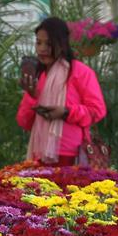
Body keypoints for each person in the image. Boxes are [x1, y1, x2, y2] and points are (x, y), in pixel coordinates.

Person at [16, 17, 107, 167]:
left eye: (49, 44)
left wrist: (65, 112)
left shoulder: (80, 72)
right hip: (39, 155)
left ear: (62, 44)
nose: (42, 49)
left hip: (72, 155)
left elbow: (97, 110)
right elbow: (24, 122)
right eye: (38, 43)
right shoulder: (39, 76)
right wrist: (32, 96)